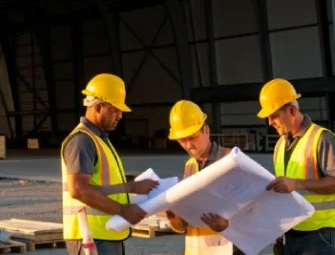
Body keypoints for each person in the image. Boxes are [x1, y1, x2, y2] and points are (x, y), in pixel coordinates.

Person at [61, 73, 156, 255]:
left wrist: (131, 187)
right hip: (91, 237)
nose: (120, 116)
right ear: (98, 107)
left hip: (104, 234)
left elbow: (101, 186)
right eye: (115, 110)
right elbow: (78, 190)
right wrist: (122, 210)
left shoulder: (100, 139)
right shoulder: (82, 141)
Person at [258, 78, 335, 255]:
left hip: (321, 236)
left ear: (292, 111)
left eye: (274, 115)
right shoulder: (280, 145)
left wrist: (297, 184)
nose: (270, 122)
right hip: (292, 233)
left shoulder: (322, 138)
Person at [163, 100, 238, 255]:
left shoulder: (231, 160)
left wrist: (227, 225)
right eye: (182, 140)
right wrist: (172, 214)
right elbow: (183, 225)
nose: (188, 145)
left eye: (192, 137)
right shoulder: (190, 166)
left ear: (206, 130)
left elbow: (252, 213)